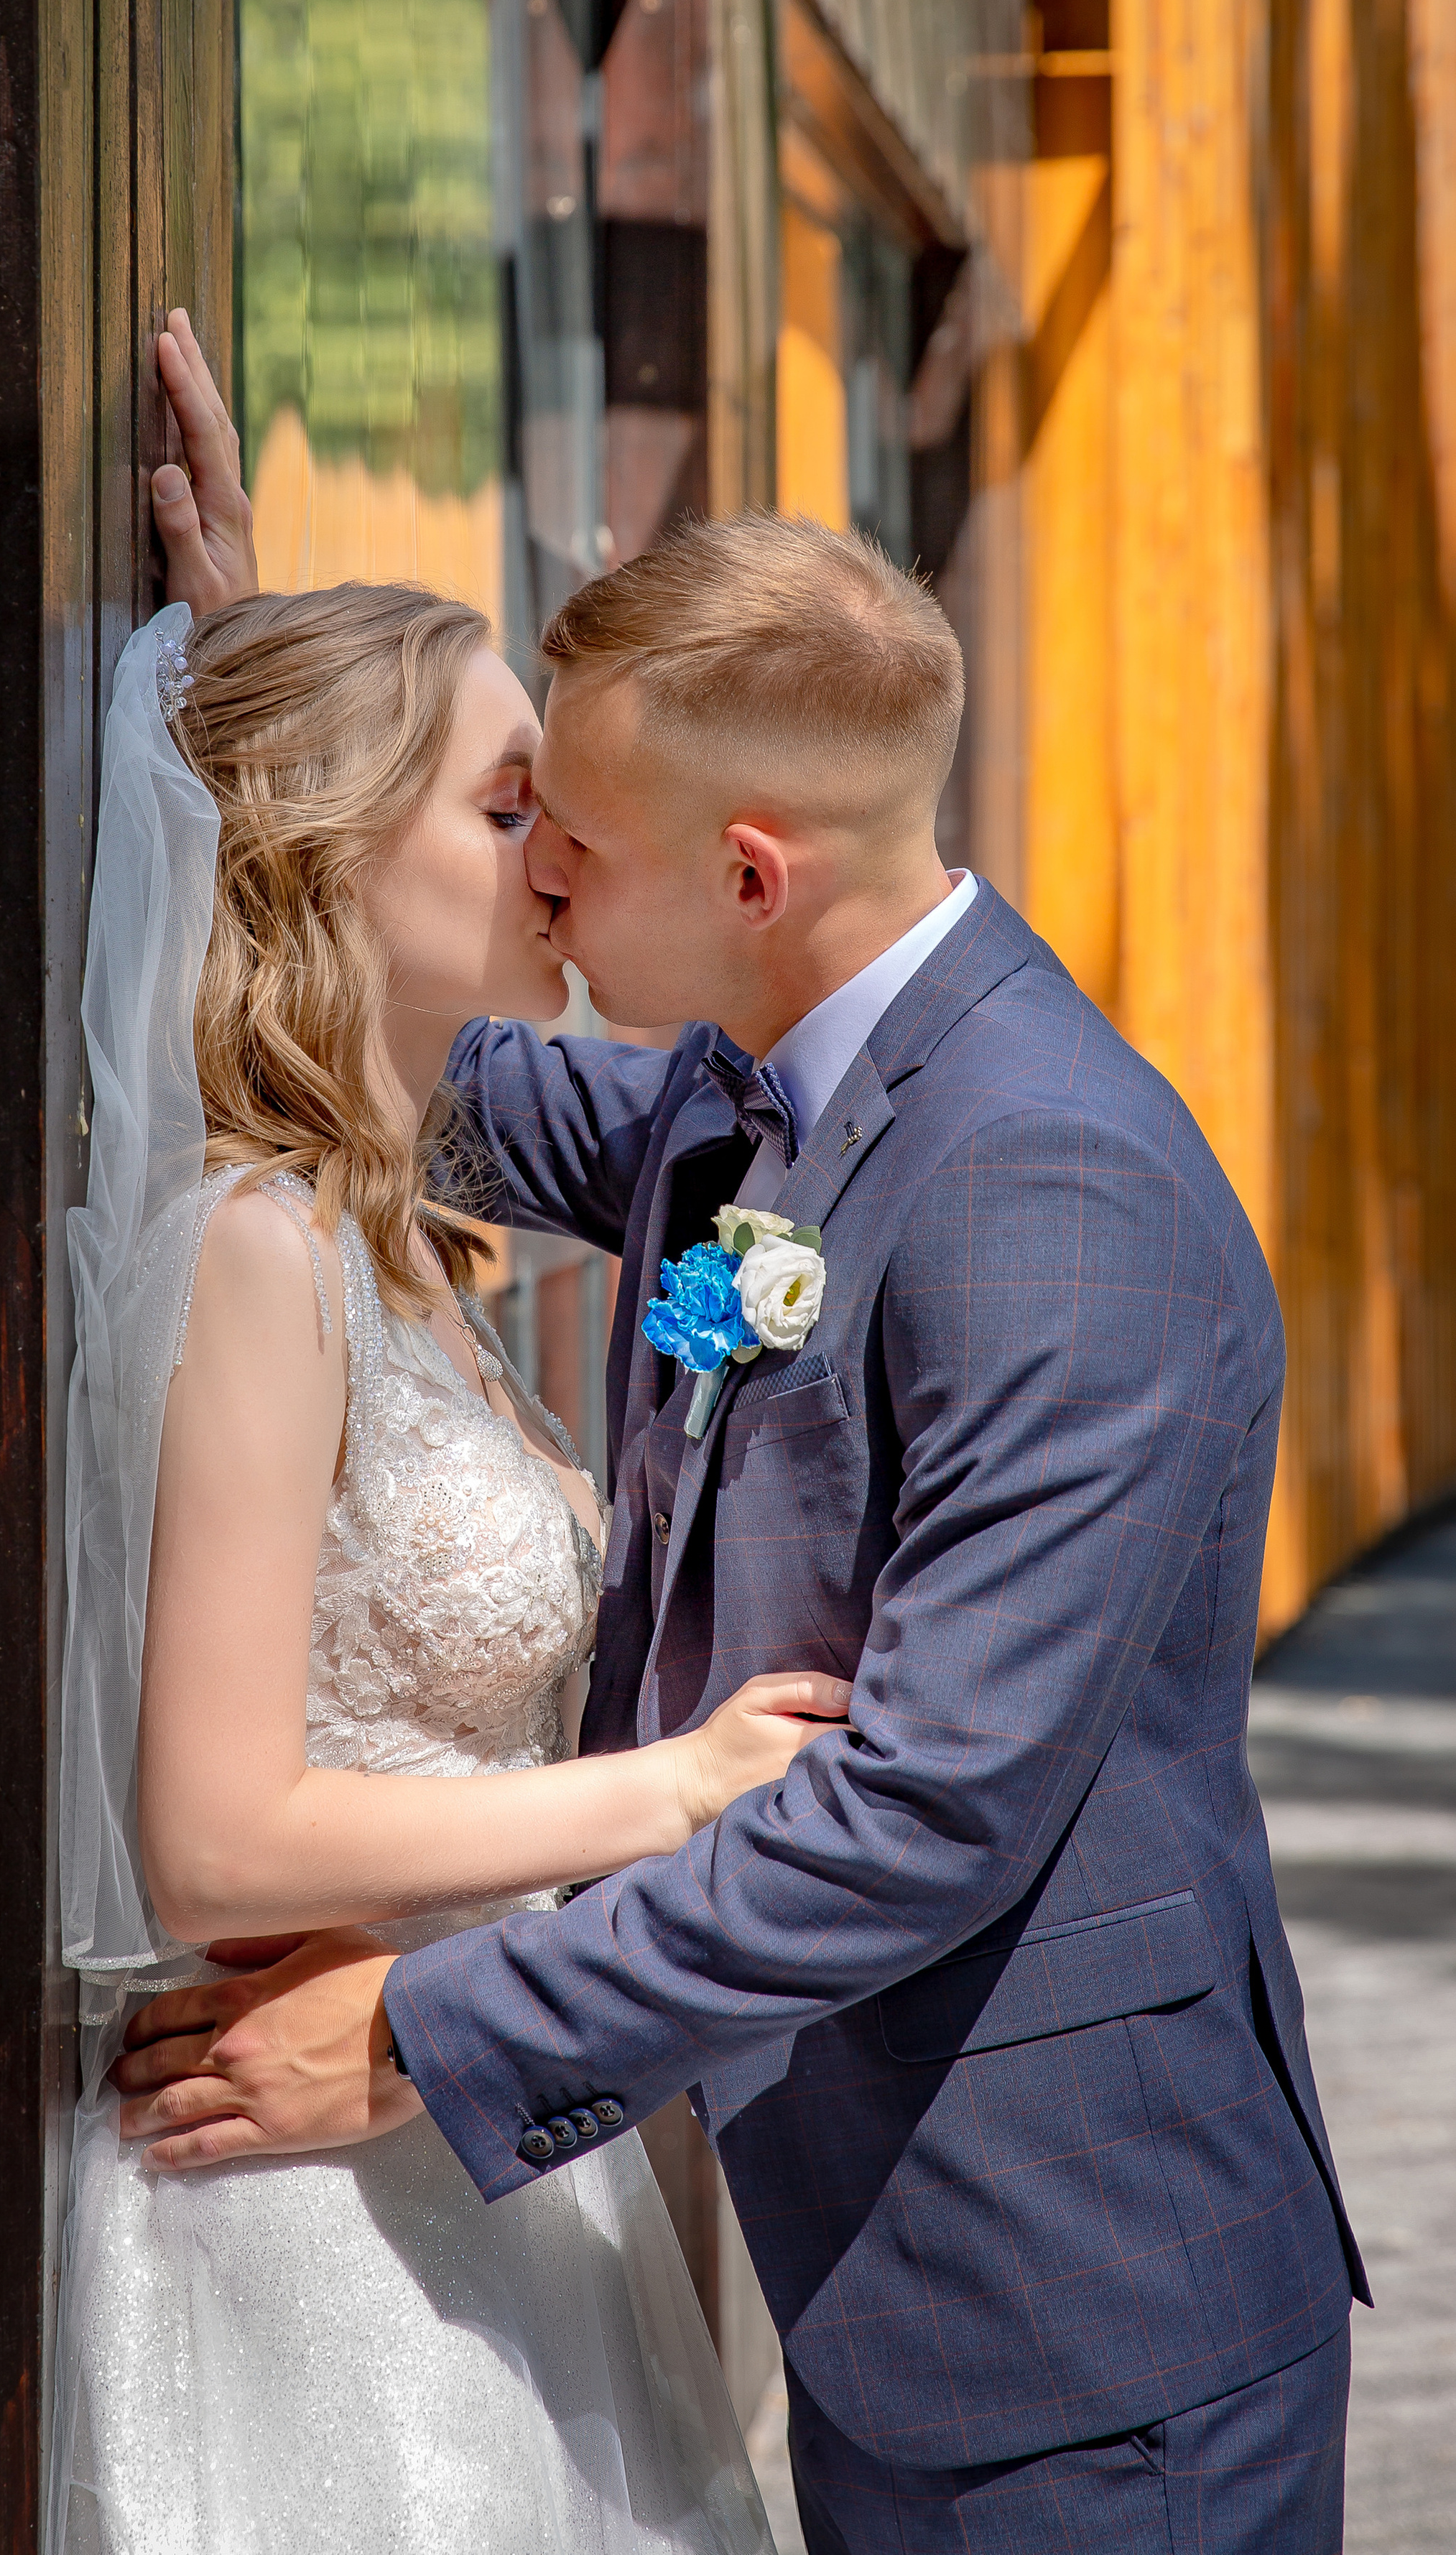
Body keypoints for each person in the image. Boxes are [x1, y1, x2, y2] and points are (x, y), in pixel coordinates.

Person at [126, 321, 1368, 2553]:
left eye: (568, 840)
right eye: (520, 827)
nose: (544, 889)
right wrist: (246, 694)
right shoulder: (748, 1089)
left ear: (757, 876)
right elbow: (428, 1065)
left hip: (1079, 2313)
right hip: (860, 2269)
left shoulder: (1046, 1185)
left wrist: (419, 2036)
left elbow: (918, 1809)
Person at [47, 322, 853, 2555]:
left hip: (474, 2133)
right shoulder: (258, 1253)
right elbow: (208, 1841)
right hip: (308, 2218)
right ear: (328, 838)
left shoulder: (398, 1224)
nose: (567, 852)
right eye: (516, 808)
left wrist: (244, 638)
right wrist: (674, 1791)